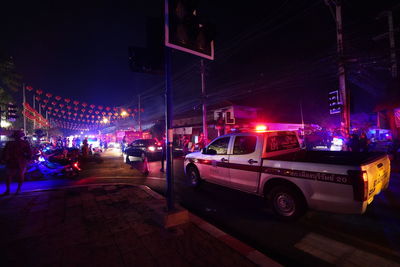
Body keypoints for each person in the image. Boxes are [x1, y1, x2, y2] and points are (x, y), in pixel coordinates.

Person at [1, 130, 32, 195]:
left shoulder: (24, 143)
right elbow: (5, 152)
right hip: (14, 161)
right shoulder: (11, 143)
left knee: (16, 175)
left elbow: (29, 152)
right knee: (10, 175)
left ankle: (15, 190)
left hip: (19, 161)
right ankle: (12, 190)